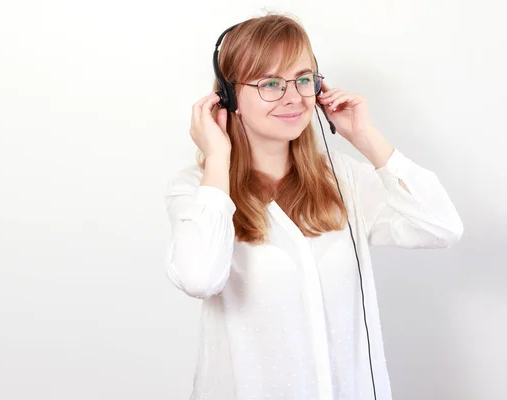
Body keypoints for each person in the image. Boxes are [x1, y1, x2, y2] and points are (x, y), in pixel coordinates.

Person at [163, 13, 463, 400]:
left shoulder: (342, 179)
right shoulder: (198, 191)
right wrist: (218, 158)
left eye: (303, 79)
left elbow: (442, 226)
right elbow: (199, 278)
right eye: (271, 83)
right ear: (230, 97)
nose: (294, 97)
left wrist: (365, 137)